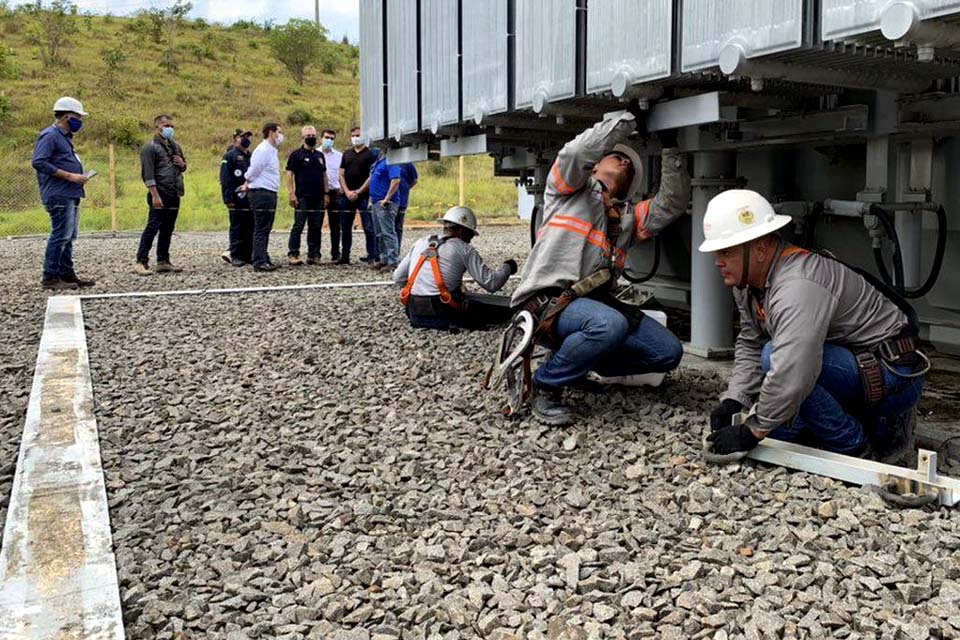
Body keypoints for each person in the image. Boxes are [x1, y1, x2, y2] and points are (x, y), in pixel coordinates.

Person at [700, 190, 927, 461]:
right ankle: (866, 423)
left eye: (726, 252)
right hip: (857, 363)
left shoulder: (797, 286)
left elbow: (794, 369)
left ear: (759, 249)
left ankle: (856, 445)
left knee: (775, 359)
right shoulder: (748, 284)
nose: (718, 262)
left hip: (894, 377)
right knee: (779, 431)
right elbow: (751, 339)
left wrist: (751, 430)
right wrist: (735, 399)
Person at [510, 105, 690, 426]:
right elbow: (577, 151)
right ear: (593, 168)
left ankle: (575, 365)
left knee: (668, 352)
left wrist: (670, 146)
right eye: (615, 156)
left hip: (591, 310)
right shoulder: (567, 190)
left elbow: (671, 203)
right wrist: (626, 121)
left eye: (631, 165)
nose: (624, 161)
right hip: (546, 303)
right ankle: (546, 384)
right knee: (609, 325)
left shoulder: (628, 218)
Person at [394, 206, 517, 331]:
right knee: (502, 312)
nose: (470, 240)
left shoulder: (420, 242)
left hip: (415, 314)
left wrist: (422, 288)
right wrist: (508, 267)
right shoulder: (463, 248)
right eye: (470, 235)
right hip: (444, 313)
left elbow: (398, 277)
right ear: (462, 231)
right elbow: (491, 284)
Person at [31, 96, 94, 290]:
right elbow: (39, 161)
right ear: (67, 116)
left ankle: (67, 274)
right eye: (77, 117)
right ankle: (50, 277)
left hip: (70, 192)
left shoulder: (64, 138)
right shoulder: (50, 135)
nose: (80, 121)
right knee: (60, 235)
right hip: (59, 192)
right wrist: (69, 176)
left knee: (69, 235)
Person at [134, 115, 187, 275]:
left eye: (171, 125)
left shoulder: (175, 146)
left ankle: (163, 260)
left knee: (168, 228)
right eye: (166, 125)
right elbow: (148, 174)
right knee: (153, 226)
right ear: (157, 128)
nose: (169, 128)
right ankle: (141, 261)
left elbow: (183, 166)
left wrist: (182, 164)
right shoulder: (150, 147)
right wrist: (155, 195)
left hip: (174, 191)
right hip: (160, 191)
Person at [241, 123, 284, 272]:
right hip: (261, 192)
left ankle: (263, 257)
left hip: (269, 191)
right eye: (279, 132)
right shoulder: (264, 150)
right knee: (261, 228)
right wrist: (247, 180)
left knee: (266, 227)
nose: (281, 135)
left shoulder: (272, 151)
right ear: (271, 133)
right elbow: (253, 170)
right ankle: (259, 261)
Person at [285, 125, 327, 266]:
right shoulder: (296, 155)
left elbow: (324, 175)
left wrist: (326, 193)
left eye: (313, 135)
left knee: (316, 226)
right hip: (302, 196)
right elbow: (289, 174)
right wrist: (291, 193)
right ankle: (293, 253)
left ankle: (314, 254)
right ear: (303, 138)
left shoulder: (320, 155)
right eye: (308, 136)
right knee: (299, 225)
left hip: (318, 197)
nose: (311, 138)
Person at [338, 127, 376, 265]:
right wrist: (347, 191)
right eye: (353, 135)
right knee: (345, 227)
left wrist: (359, 191)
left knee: (368, 227)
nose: (355, 138)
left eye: (358, 135)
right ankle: (345, 256)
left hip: (364, 195)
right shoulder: (346, 154)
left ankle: (372, 255)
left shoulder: (371, 154)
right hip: (346, 196)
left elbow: (372, 175)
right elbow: (341, 173)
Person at [219, 128, 254, 266]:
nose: (246, 139)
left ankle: (248, 254)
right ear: (235, 139)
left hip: (251, 197)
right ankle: (236, 255)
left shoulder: (252, 156)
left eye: (248, 136)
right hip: (236, 197)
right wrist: (227, 198)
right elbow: (225, 179)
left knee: (250, 226)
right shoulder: (230, 156)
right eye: (243, 136)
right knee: (237, 227)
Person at [368, 151, 403, 269]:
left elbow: (396, 180)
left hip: (386, 203)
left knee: (388, 232)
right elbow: (374, 181)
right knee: (379, 233)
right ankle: (384, 258)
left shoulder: (392, 161)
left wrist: (387, 198)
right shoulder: (378, 163)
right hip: (376, 202)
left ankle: (392, 261)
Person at [320, 129, 344, 263]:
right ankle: (314, 253)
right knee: (316, 224)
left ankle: (336, 253)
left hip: (336, 193)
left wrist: (342, 188)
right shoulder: (316, 153)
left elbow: (342, 174)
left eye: (331, 138)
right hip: (319, 193)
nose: (329, 140)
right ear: (321, 138)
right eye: (326, 137)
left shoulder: (339, 156)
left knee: (336, 226)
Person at [395, 162, 418, 246]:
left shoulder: (407, 164)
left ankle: (396, 250)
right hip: (388, 199)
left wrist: (406, 187)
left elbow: (414, 180)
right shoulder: (387, 161)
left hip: (401, 199)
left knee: (398, 226)